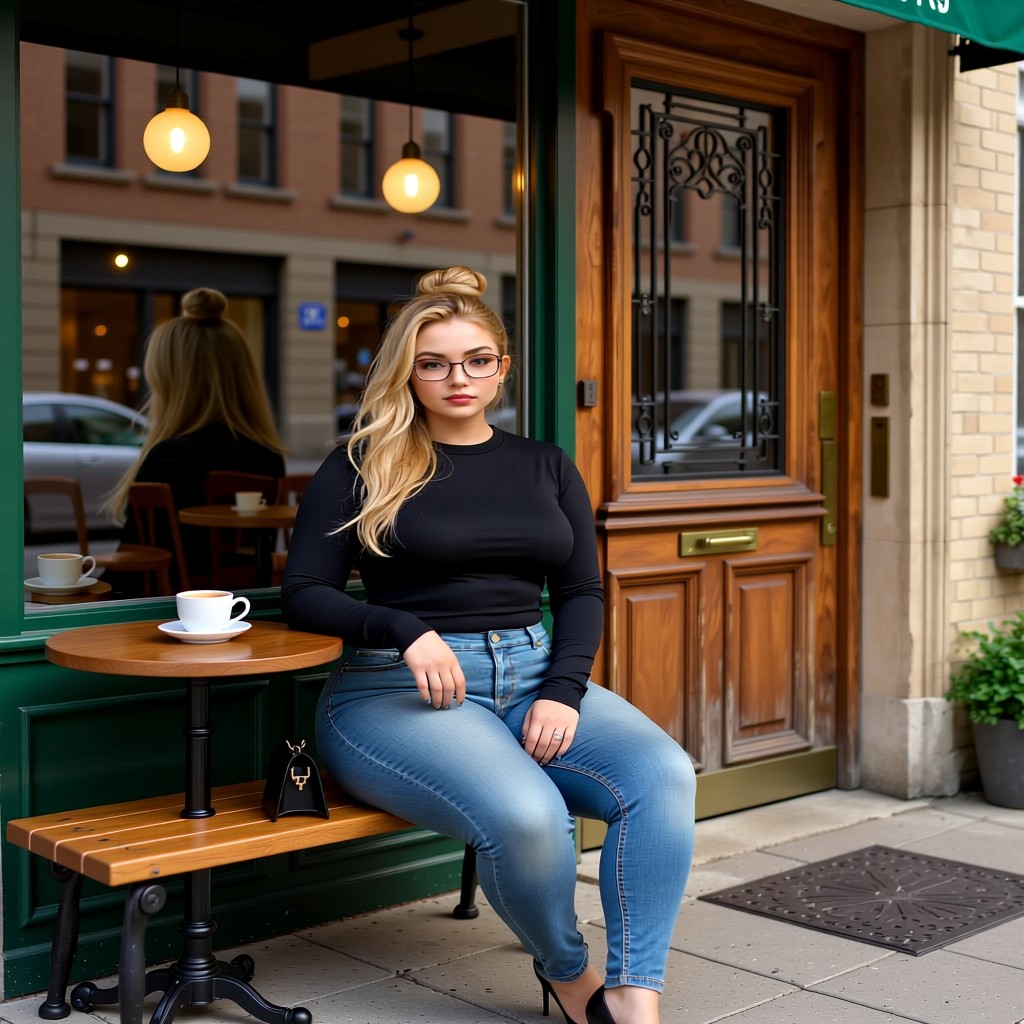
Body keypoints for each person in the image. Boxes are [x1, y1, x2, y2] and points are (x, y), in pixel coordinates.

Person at [281, 267, 695, 1024]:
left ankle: (635, 997)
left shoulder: (544, 463)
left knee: (662, 774)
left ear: (502, 368)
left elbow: (579, 592)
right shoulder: (359, 464)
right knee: (530, 814)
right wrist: (403, 630)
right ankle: (570, 976)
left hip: (534, 670)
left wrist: (564, 690)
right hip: (396, 692)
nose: (456, 378)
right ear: (407, 372)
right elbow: (303, 594)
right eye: (434, 363)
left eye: (476, 360)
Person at [105, 287, 286, 590]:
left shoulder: (168, 457)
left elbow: (135, 566)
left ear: (172, 383)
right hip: (249, 610)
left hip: (167, 615)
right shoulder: (268, 457)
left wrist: (80, 592)